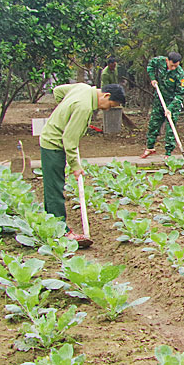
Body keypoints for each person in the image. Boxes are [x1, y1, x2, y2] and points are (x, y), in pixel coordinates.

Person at [40, 82, 125, 247]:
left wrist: (65, 111)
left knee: (51, 186)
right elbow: (69, 140)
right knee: (55, 188)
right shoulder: (84, 108)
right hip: (53, 144)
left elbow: (58, 92)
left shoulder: (83, 88)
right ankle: (61, 232)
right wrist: (75, 166)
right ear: (106, 96)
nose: (107, 109)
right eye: (110, 105)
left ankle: (50, 224)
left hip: (50, 138)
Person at [141, 52, 184, 158]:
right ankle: (150, 148)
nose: (174, 68)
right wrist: (152, 78)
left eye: (176, 65)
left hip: (173, 103)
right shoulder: (159, 61)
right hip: (159, 100)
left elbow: (180, 94)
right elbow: (150, 65)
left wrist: (170, 108)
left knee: (170, 129)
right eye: (172, 65)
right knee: (153, 124)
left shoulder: (180, 74)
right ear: (167, 61)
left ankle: (168, 153)